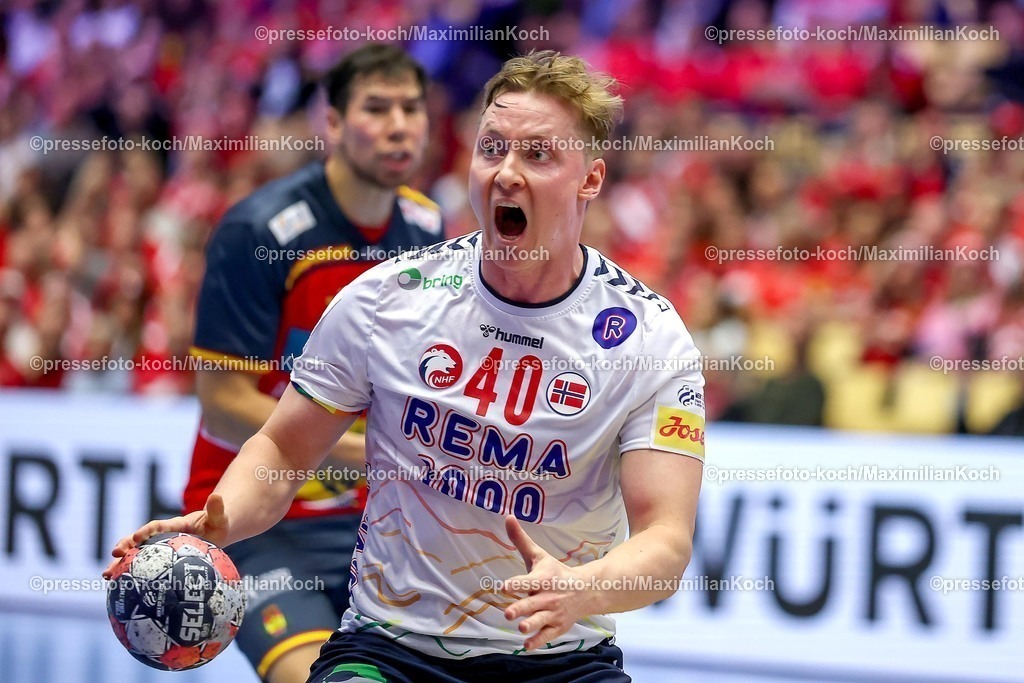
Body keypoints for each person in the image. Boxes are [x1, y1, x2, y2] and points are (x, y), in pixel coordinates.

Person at [108, 51, 705, 682]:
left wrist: (584, 589)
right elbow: (283, 448)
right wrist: (222, 516)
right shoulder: (387, 298)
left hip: (561, 659)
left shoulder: (651, 339)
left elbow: (665, 543)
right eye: (492, 149)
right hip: (392, 650)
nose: (506, 173)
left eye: (538, 156)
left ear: (590, 179)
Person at [181, 44, 442, 683]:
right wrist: (365, 451)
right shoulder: (259, 232)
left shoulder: (427, 231)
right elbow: (223, 402)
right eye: (376, 109)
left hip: (378, 531)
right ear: (332, 123)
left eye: (411, 108)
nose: (399, 125)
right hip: (257, 522)